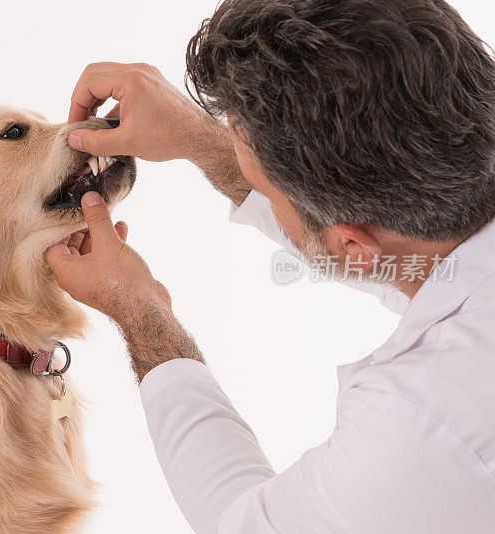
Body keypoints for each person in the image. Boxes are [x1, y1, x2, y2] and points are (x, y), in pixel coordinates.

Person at [45, 1, 495, 532]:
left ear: (353, 245)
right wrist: (202, 138)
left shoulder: (417, 430)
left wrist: (143, 313)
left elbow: (239, 523)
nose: (247, 182)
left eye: (259, 186)